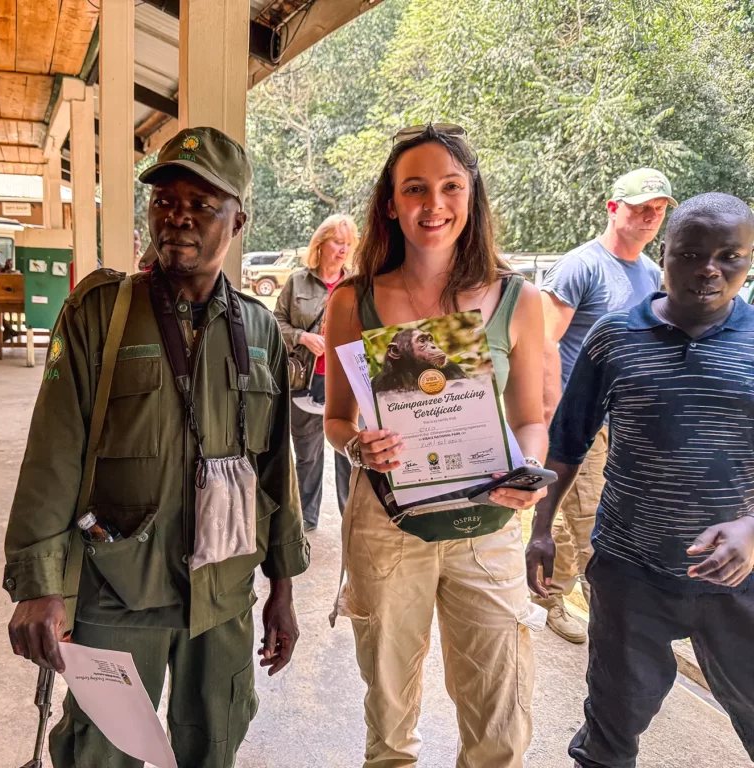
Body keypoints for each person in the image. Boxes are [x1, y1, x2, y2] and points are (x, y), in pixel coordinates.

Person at [3, 126, 309, 768]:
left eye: (203, 205)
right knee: (103, 754)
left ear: (238, 219)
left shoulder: (258, 330)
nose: (179, 219)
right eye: (166, 201)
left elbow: (274, 468)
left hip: (223, 596)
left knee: (213, 745)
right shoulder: (101, 313)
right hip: (118, 588)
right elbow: (53, 451)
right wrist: (40, 583)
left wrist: (282, 586)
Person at [323, 123, 549, 767]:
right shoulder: (353, 300)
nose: (434, 204)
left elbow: (530, 419)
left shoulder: (516, 299)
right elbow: (336, 420)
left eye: (451, 187)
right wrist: (356, 448)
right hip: (390, 525)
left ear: (472, 196)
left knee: (500, 720)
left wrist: (526, 469)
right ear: (390, 203)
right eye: (415, 188)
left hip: (488, 523)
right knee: (390, 720)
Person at [527, 192, 754, 766]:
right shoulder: (613, 337)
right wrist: (542, 529)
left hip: (742, 581)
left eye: (730, 256)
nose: (709, 269)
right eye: (691, 253)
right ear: (665, 255)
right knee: (610, 730)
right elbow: (566, 442)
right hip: (631, 573)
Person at [536, 168, 677, 643]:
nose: (650, 217)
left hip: (626, 419)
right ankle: (557, 598)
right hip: (579, 416)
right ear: (613, 208)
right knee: (588, 514)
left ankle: (577, 593)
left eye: (658, 210)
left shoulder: (653, 274)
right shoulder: (582, 266)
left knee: (608, 515)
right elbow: (540, 343)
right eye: (640, 207)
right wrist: (552, 415)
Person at [274, 214, 358, 531]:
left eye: (348, 245)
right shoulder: (297, 282)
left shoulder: (357, 285)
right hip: (305, 381)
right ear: (320, 244)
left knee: (349, 452)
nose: (343, 250)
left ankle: (351, 516)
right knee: (307, 455)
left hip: (346, 382)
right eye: (338, 242)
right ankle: (306, 518)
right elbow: (276, 322)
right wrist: (302, 337)